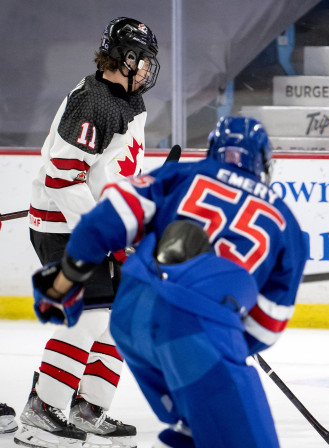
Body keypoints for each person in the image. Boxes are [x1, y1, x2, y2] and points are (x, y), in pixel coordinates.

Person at [28, 116, 307, 448]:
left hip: (131, 317)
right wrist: (224, 344)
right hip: (197, 337)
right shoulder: (288, 225)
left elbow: (105, 218)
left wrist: (67, 278)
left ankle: (190, 421)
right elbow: (268, 324)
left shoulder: (183, 174)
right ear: (264, 163)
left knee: (198, 421)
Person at [18, 17, 159, 448]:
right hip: (64, 228)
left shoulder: (128, 102)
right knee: (91, 316)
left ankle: (88, 408)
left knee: (120, 321)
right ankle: (42, 410)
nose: (150, 70)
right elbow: (63, 180)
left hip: (96, 226)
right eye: (145, 61)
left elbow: (112, 171)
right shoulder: (92, 102)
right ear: (126, 58)